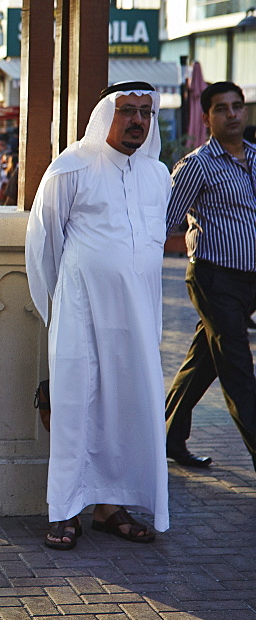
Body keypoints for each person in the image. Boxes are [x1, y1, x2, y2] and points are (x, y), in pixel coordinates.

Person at [26, 81, 170, 550]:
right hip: (82, 315)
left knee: (128, 407)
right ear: (105, 115)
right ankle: (64, 511)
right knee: (75, 406)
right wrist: (60, 305)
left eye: (145, 112)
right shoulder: (72, 167)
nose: (137, 121)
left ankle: (110, 507)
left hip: (137, 318)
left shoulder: (158, 175)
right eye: (127, 110)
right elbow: (43, 243)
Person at [164, 81, 256, 471]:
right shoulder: (196, 165)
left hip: (250, 282)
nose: (232, 114)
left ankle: (167, 436)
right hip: (214, 279)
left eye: (237, 106)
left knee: (202, 363)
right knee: (238, 370)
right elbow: (165, 221)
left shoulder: (255, 156)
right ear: (207, 118)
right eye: (222, 108)